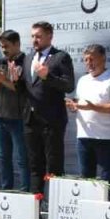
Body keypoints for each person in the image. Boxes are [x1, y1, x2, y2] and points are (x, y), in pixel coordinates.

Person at [67, 44, 110, 202]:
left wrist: (93, 107)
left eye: (92, 59)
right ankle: (88, 209)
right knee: (86, 177)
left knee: (107, 177)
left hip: (105, 137)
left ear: (103, 58)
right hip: (84, 136)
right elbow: (80, 104)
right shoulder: (83, 80)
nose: (89, 63)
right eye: (86, 60)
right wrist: (74, 106)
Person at [25, 22, 76, 201]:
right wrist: (15, 81)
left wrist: (48, 77)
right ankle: (35, 207)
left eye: (38, 36)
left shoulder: (60, 57)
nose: (34, 40)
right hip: (31, 120)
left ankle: (55, 206)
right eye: (32, 36)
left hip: (52, 121)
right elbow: (28, 88)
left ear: (49, 36)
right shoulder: (28, 58)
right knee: (34, 166)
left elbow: (69, 86)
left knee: (54, 166)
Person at [0, 30, 31, 191]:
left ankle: (25, 192)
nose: (4, 50)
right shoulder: (1, 62)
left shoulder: (26, 62)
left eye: (6, 46)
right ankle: (6, 191)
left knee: (22, 159)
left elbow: (22, 89)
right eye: (2, 46)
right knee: (3, 158)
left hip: (19, 117)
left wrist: (3, 79)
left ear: (17, 44)